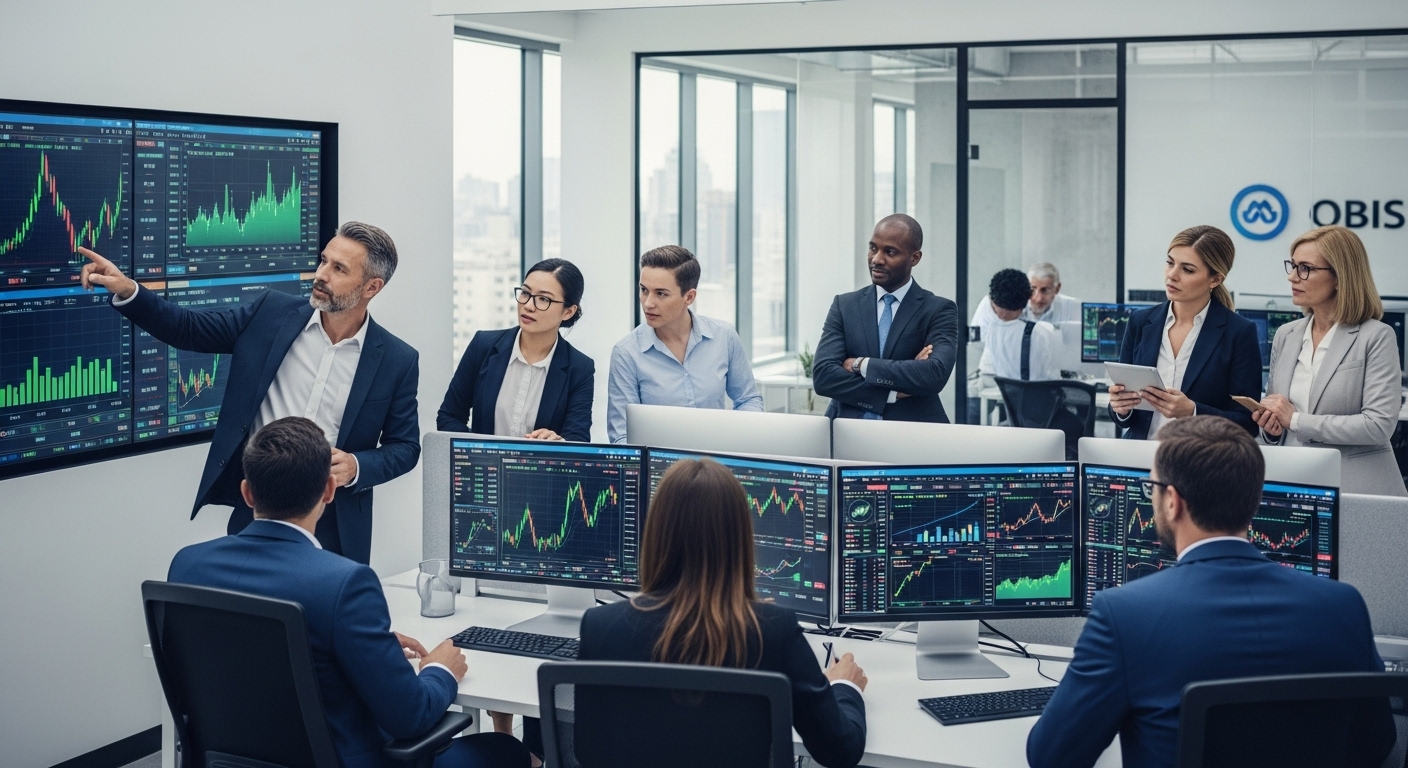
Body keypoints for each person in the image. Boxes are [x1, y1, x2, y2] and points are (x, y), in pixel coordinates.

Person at [1027, 416, 1392, 768]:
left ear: (1173, 501)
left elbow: (1053, 756)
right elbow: (1377, 743)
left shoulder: (1123, 615)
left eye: (1151, 487)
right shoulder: (1344, 606)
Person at [167, 417, 531, 768]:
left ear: (247, 492)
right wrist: (440, 669)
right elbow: (411, 717)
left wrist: (366, 641)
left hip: (227, 760)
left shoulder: (187, 566)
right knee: (504, 750)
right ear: (329, 489)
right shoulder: (343, 583)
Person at [80, 222, 419, 564]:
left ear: (371, 287)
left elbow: (405, 447)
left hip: (334, 523)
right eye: (323, 261)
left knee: (324, 616)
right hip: (257, 511)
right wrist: (128, 290)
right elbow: (188, 328)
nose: (321, 275)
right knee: (250, 612)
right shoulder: (269, 315)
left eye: (339, 269)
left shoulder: (396, 360)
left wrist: (356, 465)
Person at [575, 457, 868, 767]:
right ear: (740, 539)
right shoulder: (772, 630)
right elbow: (840, 750)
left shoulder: (600, 627)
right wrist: (844, 686)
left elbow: (588, 749)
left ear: (656, 533)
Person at [1253, 226, 1407, 496]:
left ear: (1339, 277)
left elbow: (1378, 426)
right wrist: (1272, 428)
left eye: (1305, 268)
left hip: (1356, 489)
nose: (1292, 277)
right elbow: (1279, 419)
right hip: (1293, 482)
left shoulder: (1376, 336)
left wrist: (1297, 420)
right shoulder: (1287, 335)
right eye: (1292, 266)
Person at [1107, 225, 1261, 440]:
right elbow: (1126, 416)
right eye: (1170, 263)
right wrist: (1121, 408)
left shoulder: (1239, 332)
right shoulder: (1140, 321)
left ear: (1215, 279)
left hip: (1199, 462)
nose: (1172, 275)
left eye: (1187, 269)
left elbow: (1248, 424)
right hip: (1140, 456)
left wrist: (1192, 411)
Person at [607, 246, 762, 443]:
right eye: (644, 290)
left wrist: (737, 440)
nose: (647, 303)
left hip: (717, 463)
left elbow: (748, 399)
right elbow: (622, 435)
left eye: (661, 294)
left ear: (689, 297)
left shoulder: (724, 337)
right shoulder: (626, 353)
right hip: (660, 469)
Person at [812, 214, 959, 422]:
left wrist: (860, 364)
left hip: (914, 434)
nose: (876, 259)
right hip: (847, 430)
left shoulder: (938, 309)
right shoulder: (845, 306)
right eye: (873, 248)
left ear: (915, 258)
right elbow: (824, 377)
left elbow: (934, 374)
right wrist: (891, 393)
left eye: (890, 252)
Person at [437, 259, 593, 442]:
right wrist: (479, 452)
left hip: (540, 470)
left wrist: (558, 443)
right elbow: (449, 416)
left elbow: (578, 439)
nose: (528, 305)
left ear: (568, 312)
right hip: (483, 468)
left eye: (544, 299)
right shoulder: (483, 346)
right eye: (525, 293)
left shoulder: (580, 368)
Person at [981, 268, 1062, 383]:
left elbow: (986, 371)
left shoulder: (992, 331)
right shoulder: (1041, 332)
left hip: (1005, 399)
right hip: (1038, 398)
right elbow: (1053, 379)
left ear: (993, 302)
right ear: (1028, 296)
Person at [970, 261, 1082, 334]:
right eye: (1032, 289)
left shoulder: (1073, 308)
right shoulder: (1000, 304)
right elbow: (976, 341)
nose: (1038, 298)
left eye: (1045, 290)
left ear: (1057, 289)